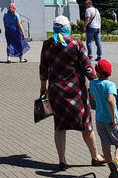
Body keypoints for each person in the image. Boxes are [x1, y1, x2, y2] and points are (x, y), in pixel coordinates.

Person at [39, 15, 106, 169]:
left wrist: (43, 86)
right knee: (85, 123)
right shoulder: (76, 43)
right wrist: (97, 81)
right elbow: (86, 66)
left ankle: (62, 160)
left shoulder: (47, 44)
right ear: (67, 27)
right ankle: (95, 156)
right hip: (76, 91)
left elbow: (43, 68)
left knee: (60, 126)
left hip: (56, 92)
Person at [90, 59, 118, 178]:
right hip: (111, 120)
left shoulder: (93, 84)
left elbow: (93, 97)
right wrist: (113, 118)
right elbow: (110, 101)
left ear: (97, 72)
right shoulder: (110, 85)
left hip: (99, 119)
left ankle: (112, 171)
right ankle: (115, 162)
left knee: (105, 143)